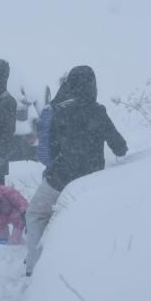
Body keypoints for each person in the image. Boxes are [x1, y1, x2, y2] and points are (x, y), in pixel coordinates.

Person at [25, 65, 128, 275]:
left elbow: (50, 151)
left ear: (69, 84)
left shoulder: (60, 111)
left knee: (36, 214)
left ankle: (34, 268)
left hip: (61, 178)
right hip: (92, 179)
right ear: (93, 85)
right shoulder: (99, 112)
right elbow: (120, 147)